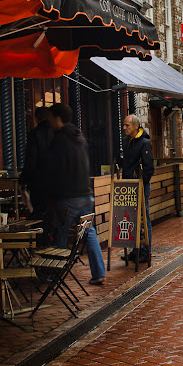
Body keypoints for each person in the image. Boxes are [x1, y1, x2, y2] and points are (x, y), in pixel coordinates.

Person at [48, 103, 106, 285]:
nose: (49, 121)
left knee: (61, 235)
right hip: (85, 194)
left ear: (57, 118)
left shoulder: (59, 139)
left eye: (51, 118)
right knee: (89, 233)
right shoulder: (79, 136)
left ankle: (56, 273)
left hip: (68, 196)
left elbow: (55, 169)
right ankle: (99, 272)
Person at [119, 114, 154, 263]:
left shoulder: (144, 143)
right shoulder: (127, 142)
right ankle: (135, 250)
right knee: (131, 217)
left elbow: (149, 168)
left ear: (136, 126)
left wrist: (142, 183)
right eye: (124, 125)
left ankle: (146, 251)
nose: (124, 128)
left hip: (140, 186)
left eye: (127, 125)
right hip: (129, 186)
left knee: (143, 217)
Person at [19, 106, 53, 218]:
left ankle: (41, 235)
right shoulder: (58, 134)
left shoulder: (34, 135)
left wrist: (23, 180)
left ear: (36, 118)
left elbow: (30, 160)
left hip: (38, 184)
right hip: (56, 185)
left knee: (39, 215)